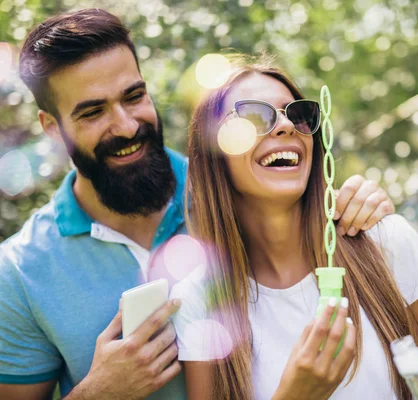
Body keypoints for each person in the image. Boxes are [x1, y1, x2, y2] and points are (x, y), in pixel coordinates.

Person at [0, 9, 395, 400]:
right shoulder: (20, 271)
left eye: (134, 96)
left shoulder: (236, 190)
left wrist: (355, 202)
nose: (125, 125)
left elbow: (314, 213)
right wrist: (97, 394)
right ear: (52, 128)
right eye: (92, 112)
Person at [171, 57, 418, 399]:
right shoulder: (200, 301)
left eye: (297, 114)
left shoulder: (386, 242)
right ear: (214, 152)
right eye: (254, 114)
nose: (285, 126)